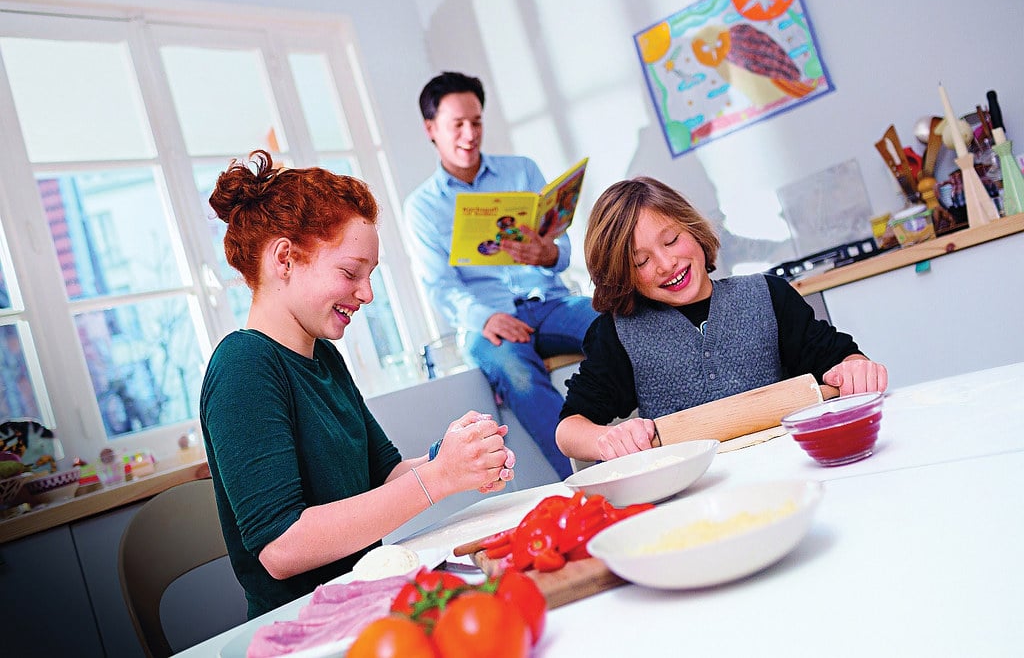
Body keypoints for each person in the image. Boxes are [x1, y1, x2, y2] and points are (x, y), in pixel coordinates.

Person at [201, 150, 515, 618]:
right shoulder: (244, 366)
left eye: (369, 276)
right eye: (350, 273)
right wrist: (439, 477)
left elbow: (383, 474)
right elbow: (282, 547)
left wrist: (455, 457)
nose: (366, 294)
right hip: (307, 626)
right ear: (285, 258)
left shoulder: (323, 356)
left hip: (366, 605)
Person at [556, 177, 888, 462]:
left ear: (693, 228)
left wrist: (855, 368)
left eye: (671, 240)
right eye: (641, 261)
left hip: (789, 465)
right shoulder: (618, 334)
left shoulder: (768, 295)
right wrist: (608, 439)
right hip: (689, 492)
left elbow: (840, 357)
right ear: (623, 276)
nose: (666, 263)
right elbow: (569, 428)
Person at [404, 71, 598, 479]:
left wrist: (548, 253)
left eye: (476, 121)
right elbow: (439, 287)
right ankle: (589, 477)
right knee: (516, 373)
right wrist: (485, 318)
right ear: (430, 129)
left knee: (610, 321)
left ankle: (661, 428)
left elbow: (559, 249)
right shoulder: (422, 206)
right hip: (487, 321)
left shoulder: (522, 171)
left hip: (549, 301)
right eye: (457, 124)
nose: (470, 133)